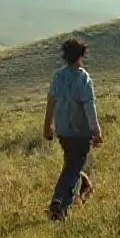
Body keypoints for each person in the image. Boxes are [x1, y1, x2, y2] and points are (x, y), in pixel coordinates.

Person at [43, 37, 103, 221]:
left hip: (63, 130)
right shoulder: (83, 77)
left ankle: (81, 190)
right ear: (82, 55)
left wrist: (47, 126)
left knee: (71, 164)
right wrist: (96, 130)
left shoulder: (58, 76)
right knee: (73, 169)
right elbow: (89, 106)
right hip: (80, 131)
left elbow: (51, 102)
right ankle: (59, 204)